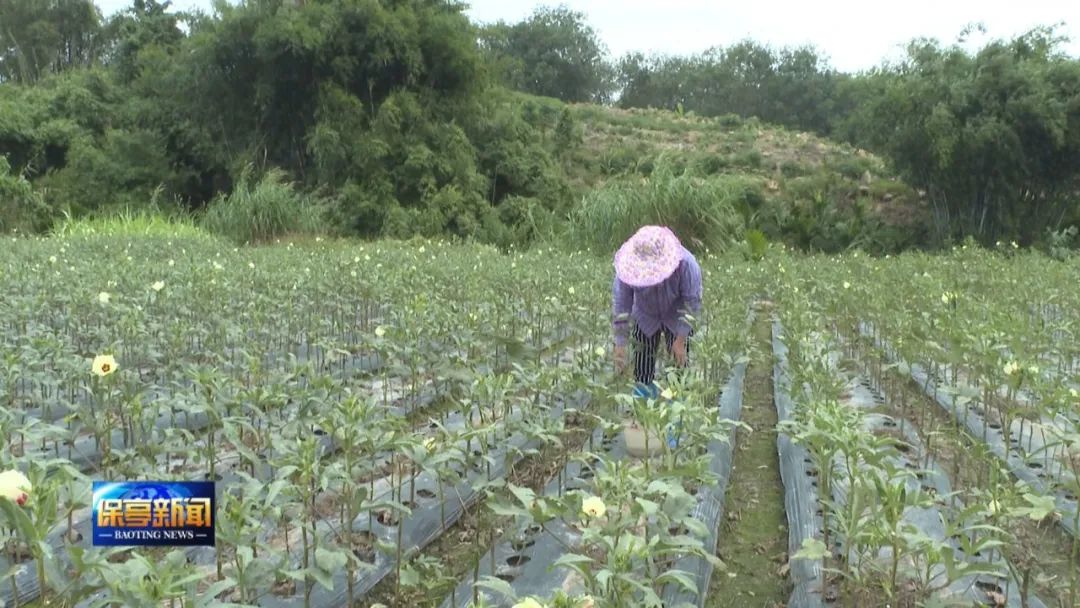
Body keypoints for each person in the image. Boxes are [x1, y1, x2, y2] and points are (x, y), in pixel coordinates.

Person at [612, 226, 702, 388]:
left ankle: (678, 406)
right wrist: (620, 343)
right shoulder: (627, 268)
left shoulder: (687, 265)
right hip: (645, 314)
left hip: (677, 314)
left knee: (679, 368)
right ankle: (644, 405)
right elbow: (622, 304)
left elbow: (692, 303)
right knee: (642, 367)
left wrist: (681, 339)